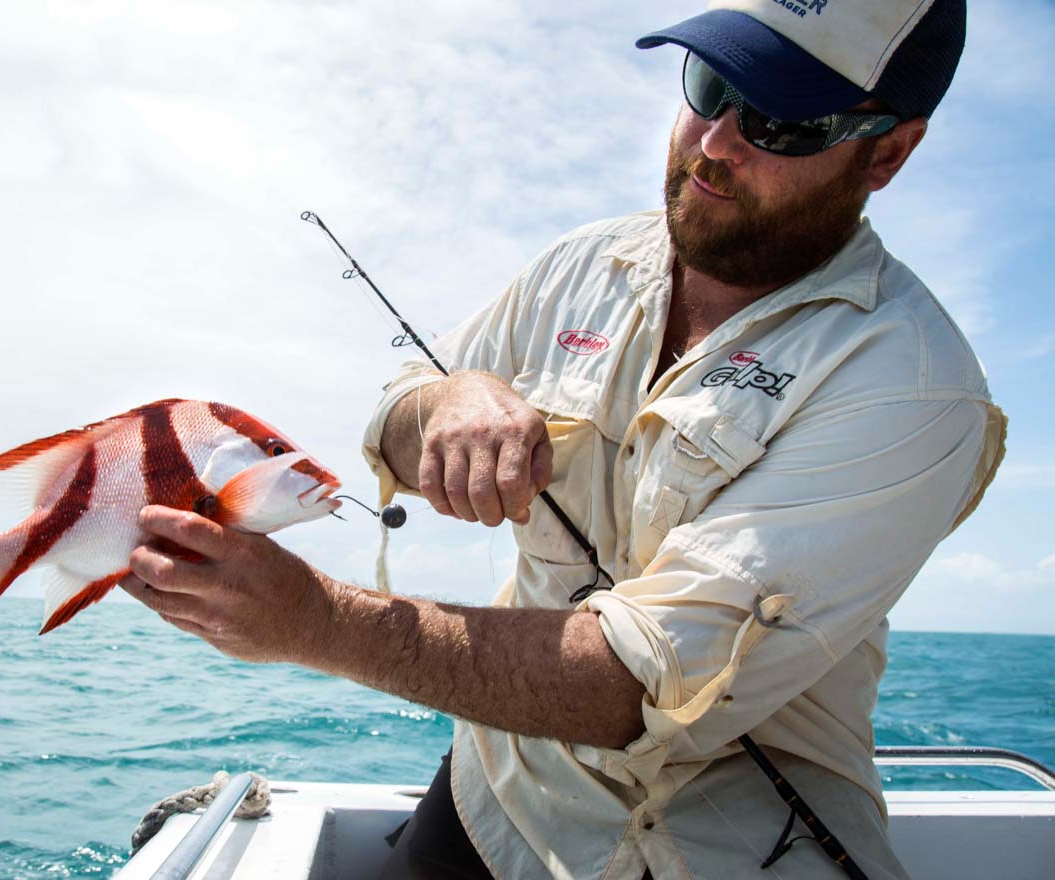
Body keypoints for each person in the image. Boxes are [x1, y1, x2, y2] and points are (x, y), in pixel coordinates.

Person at [121, 1, 1006, 877]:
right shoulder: (581, 264)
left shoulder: (913, 384)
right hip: (502, 786)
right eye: (710, 86)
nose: (715, 144)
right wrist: (449, 400)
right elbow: (395, 423)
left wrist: (315, 623)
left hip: (732, 847)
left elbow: (642, 684)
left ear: (888, 150)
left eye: (782, 122)